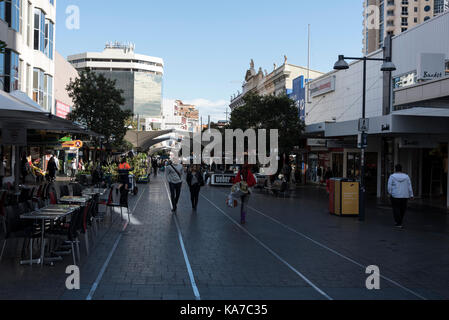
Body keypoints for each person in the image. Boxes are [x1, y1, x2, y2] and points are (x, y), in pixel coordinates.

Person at [388, 164, 414, 229]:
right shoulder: (406, 176)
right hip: (404, 195)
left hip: (395, 195)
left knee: (396, 209)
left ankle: (398, 222)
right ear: (401, 169)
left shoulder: (392, 176)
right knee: (403, 209)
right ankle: (399, 221)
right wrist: (411, 195)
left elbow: (389, 186)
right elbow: (409, 186)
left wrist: (390, 192)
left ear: (395, 169)